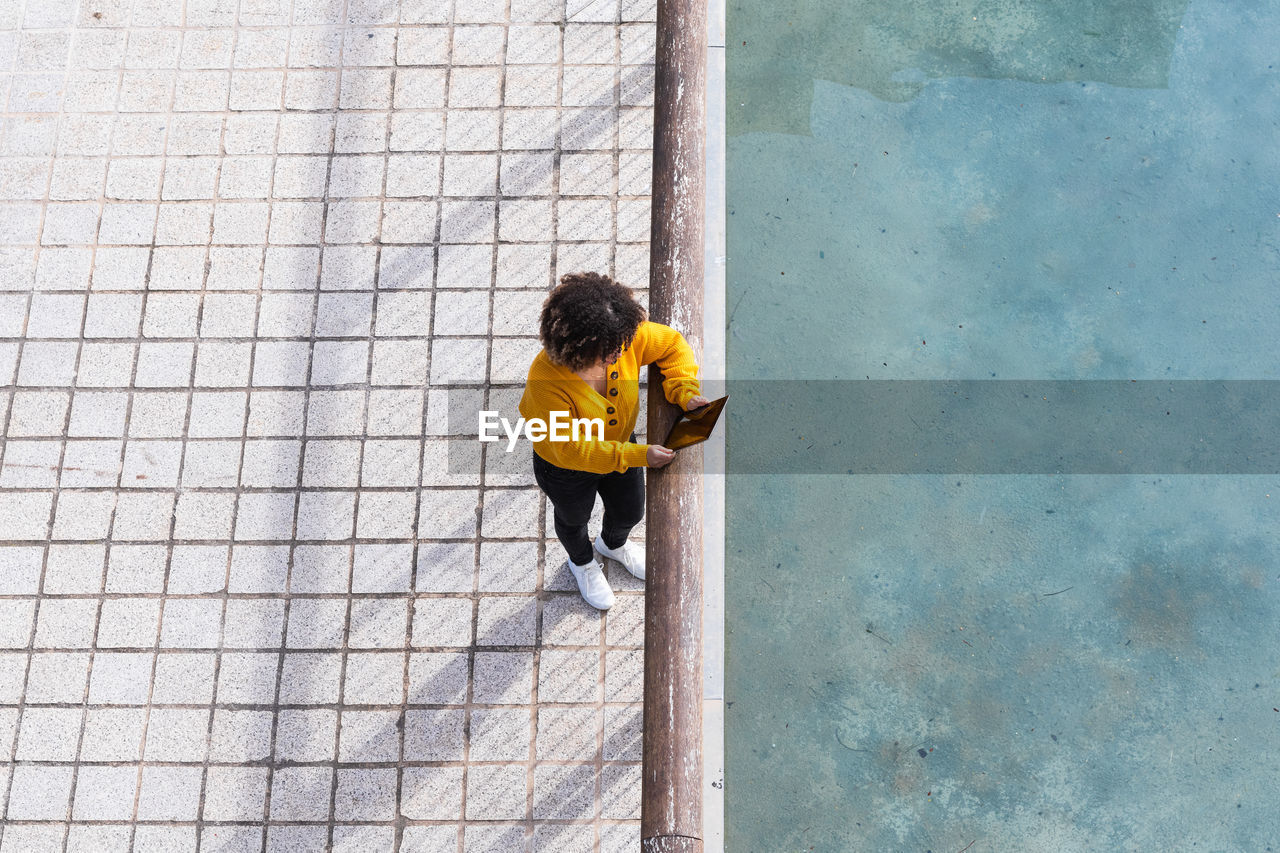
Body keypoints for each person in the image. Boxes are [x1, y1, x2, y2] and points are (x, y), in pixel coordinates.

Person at [519, 272, 708, 610]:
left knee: (631, 509)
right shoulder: (546, 380)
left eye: (623, 344)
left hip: (620, 447)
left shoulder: (620, 339)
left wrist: (683, 390)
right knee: (573, 519)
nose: (620, 354)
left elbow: (671, 345)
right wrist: (640, 455)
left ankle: (612, 545)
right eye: (607, 352)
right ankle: (581, 562)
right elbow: (571, 448)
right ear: (575, 347)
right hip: (565, 467)